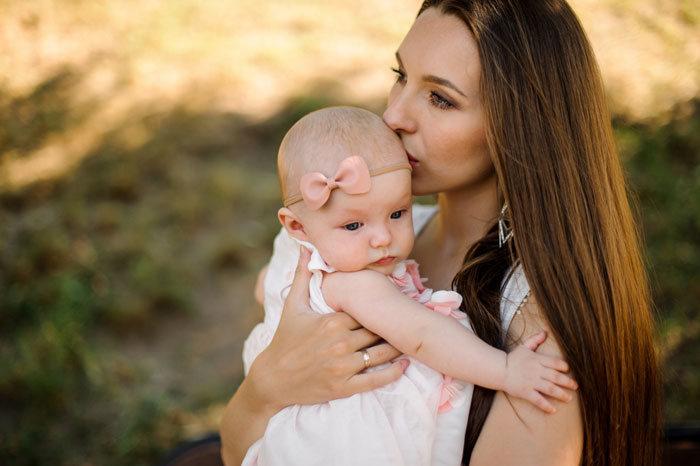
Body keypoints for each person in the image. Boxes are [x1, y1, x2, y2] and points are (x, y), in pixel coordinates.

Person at [220, 1, 661, 465]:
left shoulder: (538, 330)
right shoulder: (370, 243)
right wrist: (266, 388)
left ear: (519, 127)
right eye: (401, 75)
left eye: (440, 98)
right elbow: (233, 452)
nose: (394, 117)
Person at [241, 106, 575, 465]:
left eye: (397, 213)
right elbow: (421, 334)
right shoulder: (354, 283)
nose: (383, 238)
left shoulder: (298, 255)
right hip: (347, 445)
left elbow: (265, 288)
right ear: (297, 226)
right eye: (354, 226)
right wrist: (506, 371)